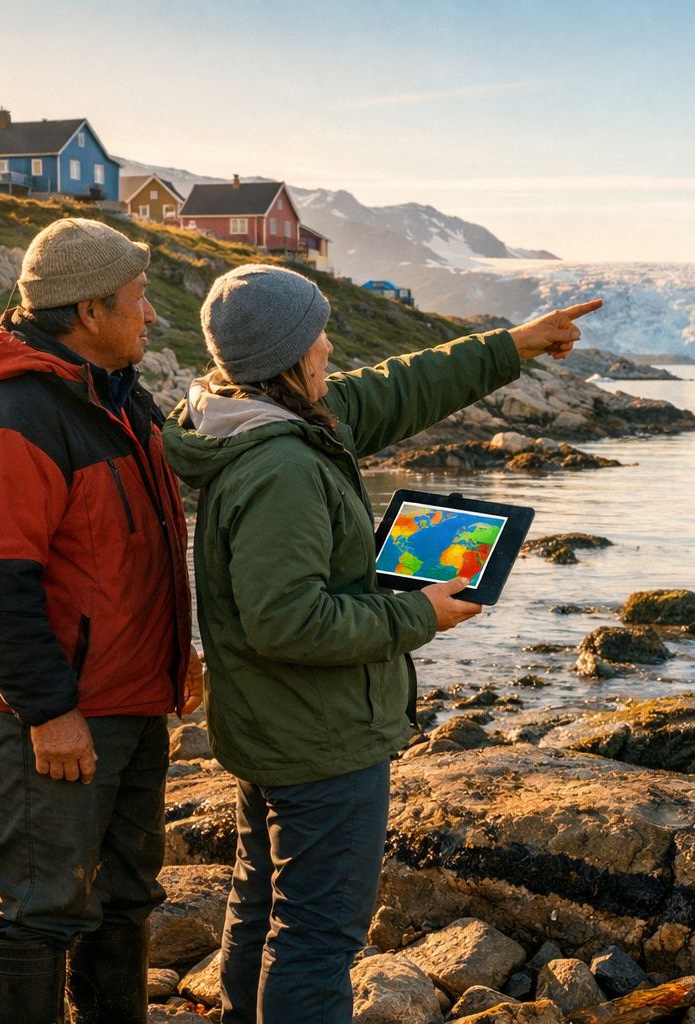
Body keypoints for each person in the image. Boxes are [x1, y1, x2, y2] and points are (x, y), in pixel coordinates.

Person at [162, 263, 601, 1023]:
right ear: (288, 356)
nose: (330, 348)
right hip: (320, 739)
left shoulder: (251, 417)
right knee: (316, 936)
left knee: (262, 907)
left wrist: (514, 346)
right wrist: (421, 615)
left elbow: (399, 387)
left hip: (274, 726)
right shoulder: (284, 467)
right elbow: (288, 621)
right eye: (317, 336)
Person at [0, 218, 195, 1024]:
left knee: (124, 896)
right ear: (88, 312)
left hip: (131, 697)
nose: (150, 316)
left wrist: (175, 654)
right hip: (56, 715)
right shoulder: (9, 419)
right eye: (137, 300)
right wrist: (50, 714)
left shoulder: (117, 395)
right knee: (39, 907)